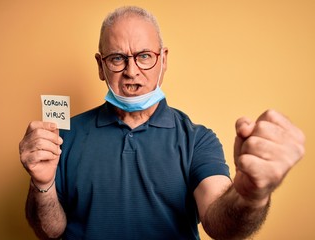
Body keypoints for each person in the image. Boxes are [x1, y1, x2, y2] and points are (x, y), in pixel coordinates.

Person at [19, 6, 305, 240]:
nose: (132, 72)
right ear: (100, 65)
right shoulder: (62, 136)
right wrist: (41, 183)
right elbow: (49, 231)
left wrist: (249, 195)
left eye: (144, 56)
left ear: (163, 60)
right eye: (117, 58)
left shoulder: (198, 140)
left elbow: (220, 226)